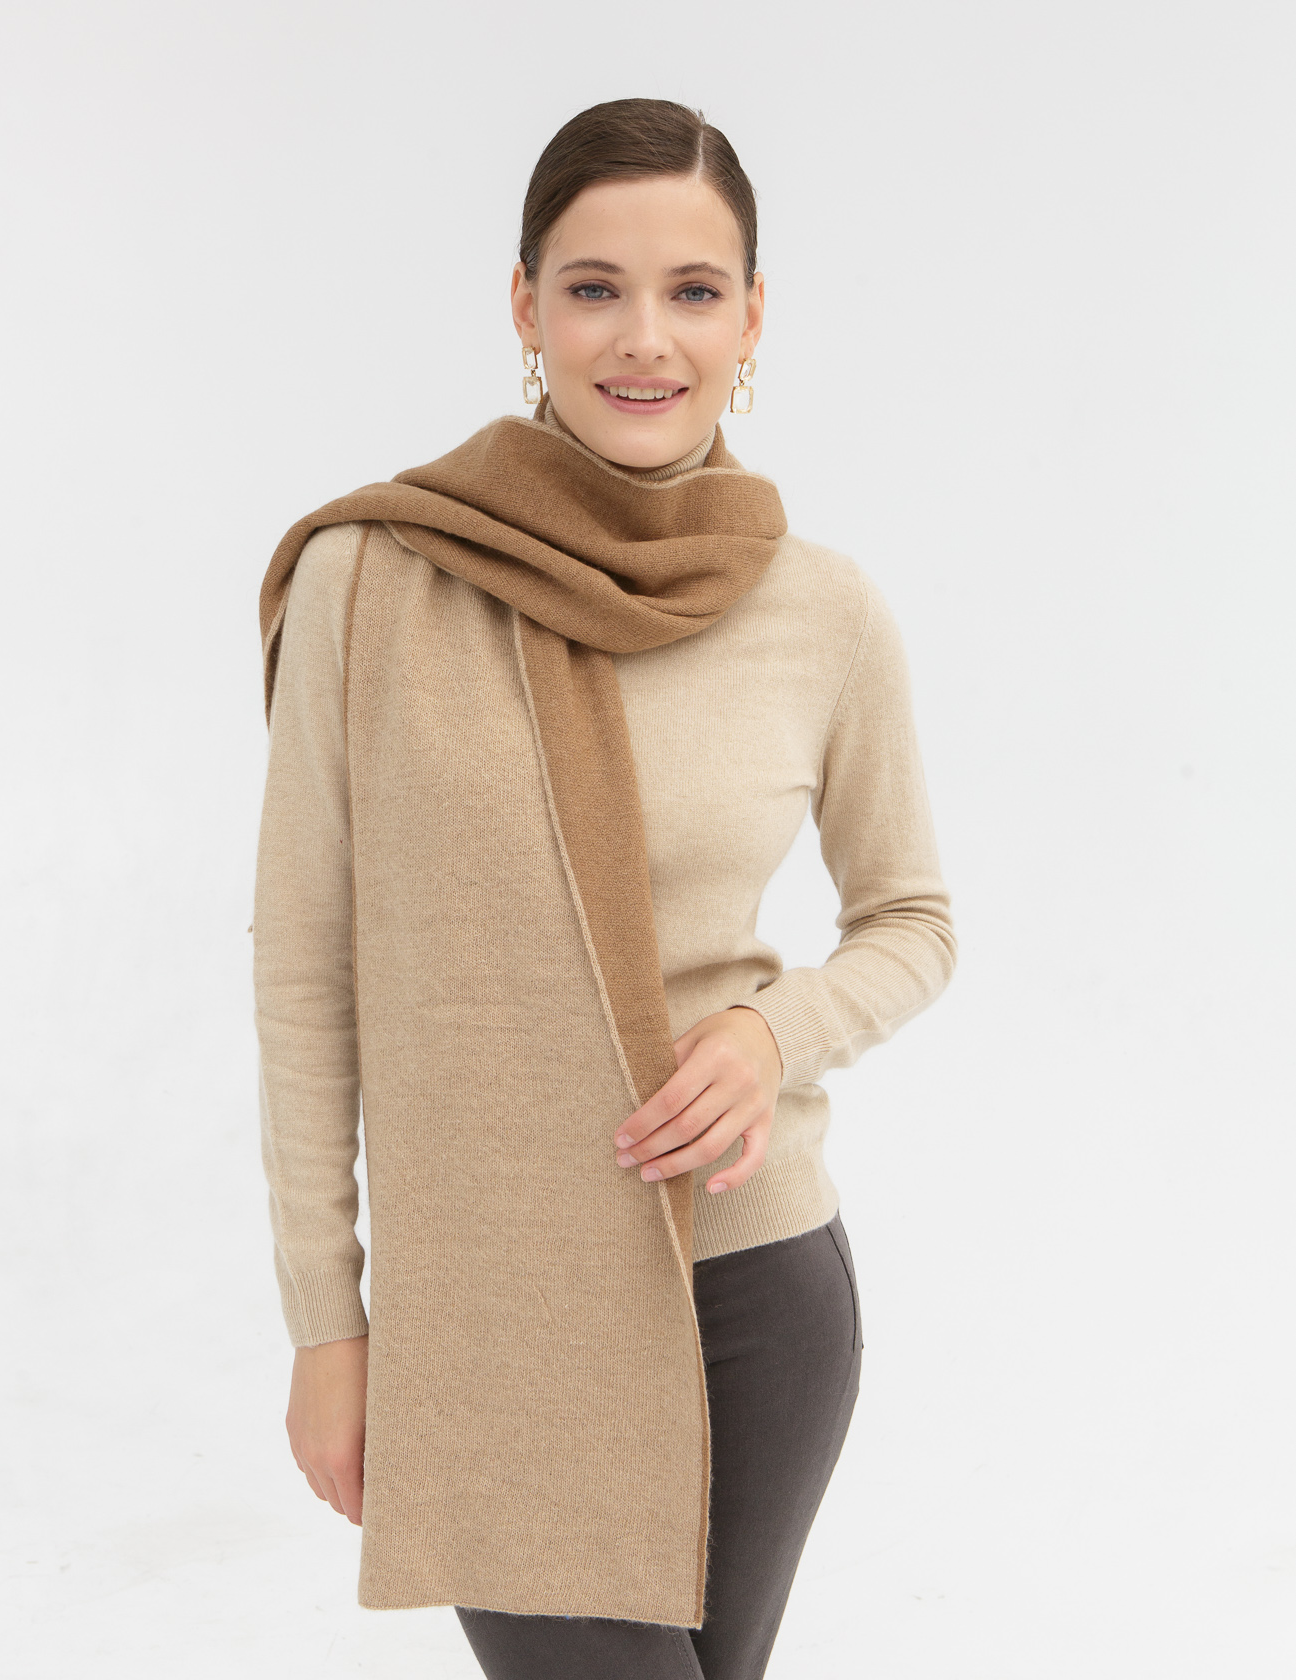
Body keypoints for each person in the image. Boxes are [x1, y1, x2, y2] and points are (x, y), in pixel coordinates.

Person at [253, 97, 956, 1680]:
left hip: (756, 1294)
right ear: (525, 307)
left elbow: (912, 921)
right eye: (593, 287)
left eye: (693, 290)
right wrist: (326, 1322)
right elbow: (305, 967)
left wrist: (773, 1036)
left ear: (751, 319)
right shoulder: (372, 579)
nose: (644, 337)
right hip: (495, 1317)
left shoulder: (823, 613)